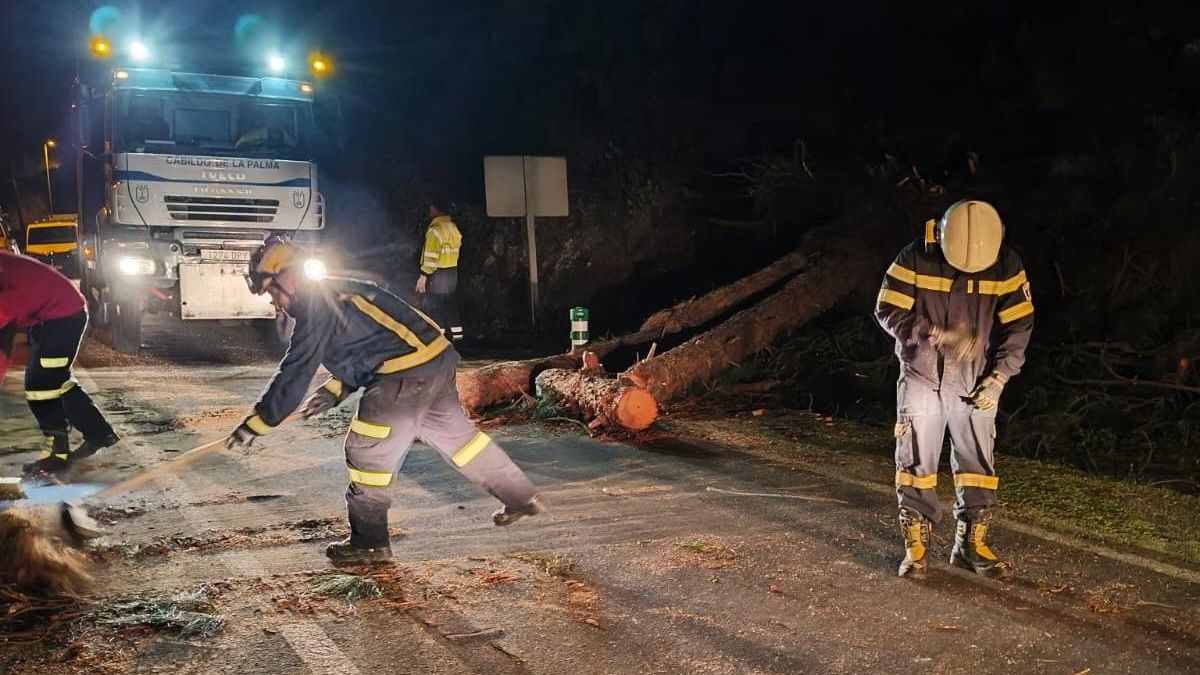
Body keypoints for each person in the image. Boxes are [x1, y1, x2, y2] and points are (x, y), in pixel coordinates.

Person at [228, 238, 543, 562]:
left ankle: (369, 544)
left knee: (366, 452)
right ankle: (520, 496)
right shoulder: (339, 291)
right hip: (434, 361)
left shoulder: (315, 306)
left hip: (404, 375)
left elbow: (294, 373)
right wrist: (334, 391)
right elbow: (369, 349)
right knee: (461, 441)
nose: (276, 303)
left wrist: (257, 422)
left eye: (272, 291)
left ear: (288, 277)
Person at [874, 200, 1034, 580]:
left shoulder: (1005, 264)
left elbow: (1019, 328)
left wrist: (998, 379)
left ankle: (970, 546)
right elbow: (887, 308)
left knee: (978, 466)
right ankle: (916, 549)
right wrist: (932, 334)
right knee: (916, 463)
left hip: (976, 378)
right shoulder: (915, 257)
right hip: (921, 375)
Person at [0, 251, 119, 474]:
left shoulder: (5, 285)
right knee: (58, 380)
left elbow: (3, 339)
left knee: (40, 387)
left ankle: (57, 454)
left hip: (61, 318)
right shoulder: (5, 269)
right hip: (54, 315)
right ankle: (99, 434)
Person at [414, 199, 463, 343]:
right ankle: (458, 337)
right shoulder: (453, 227)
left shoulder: (434, 230)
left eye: (431, 208)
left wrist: (423, 276)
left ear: (436, 209)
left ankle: (439, 340)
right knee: (450, 304)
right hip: (452, 271)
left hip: (438, 273)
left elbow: (430, 257)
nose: (430, 211)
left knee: (436, 305)